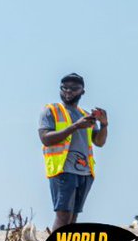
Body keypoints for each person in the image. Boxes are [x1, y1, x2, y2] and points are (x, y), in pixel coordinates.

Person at [38, 73, 109, 232]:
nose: (68, 91)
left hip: (84, 172)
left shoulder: (85, 115)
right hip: (63, 170)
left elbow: (99, 142)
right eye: (64, 88)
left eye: (73, 88)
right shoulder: (51, 110)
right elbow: (45, 138)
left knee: (73, 218)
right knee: (63, 216)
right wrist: (75, 126)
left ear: (82, 91)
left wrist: (104, 125)